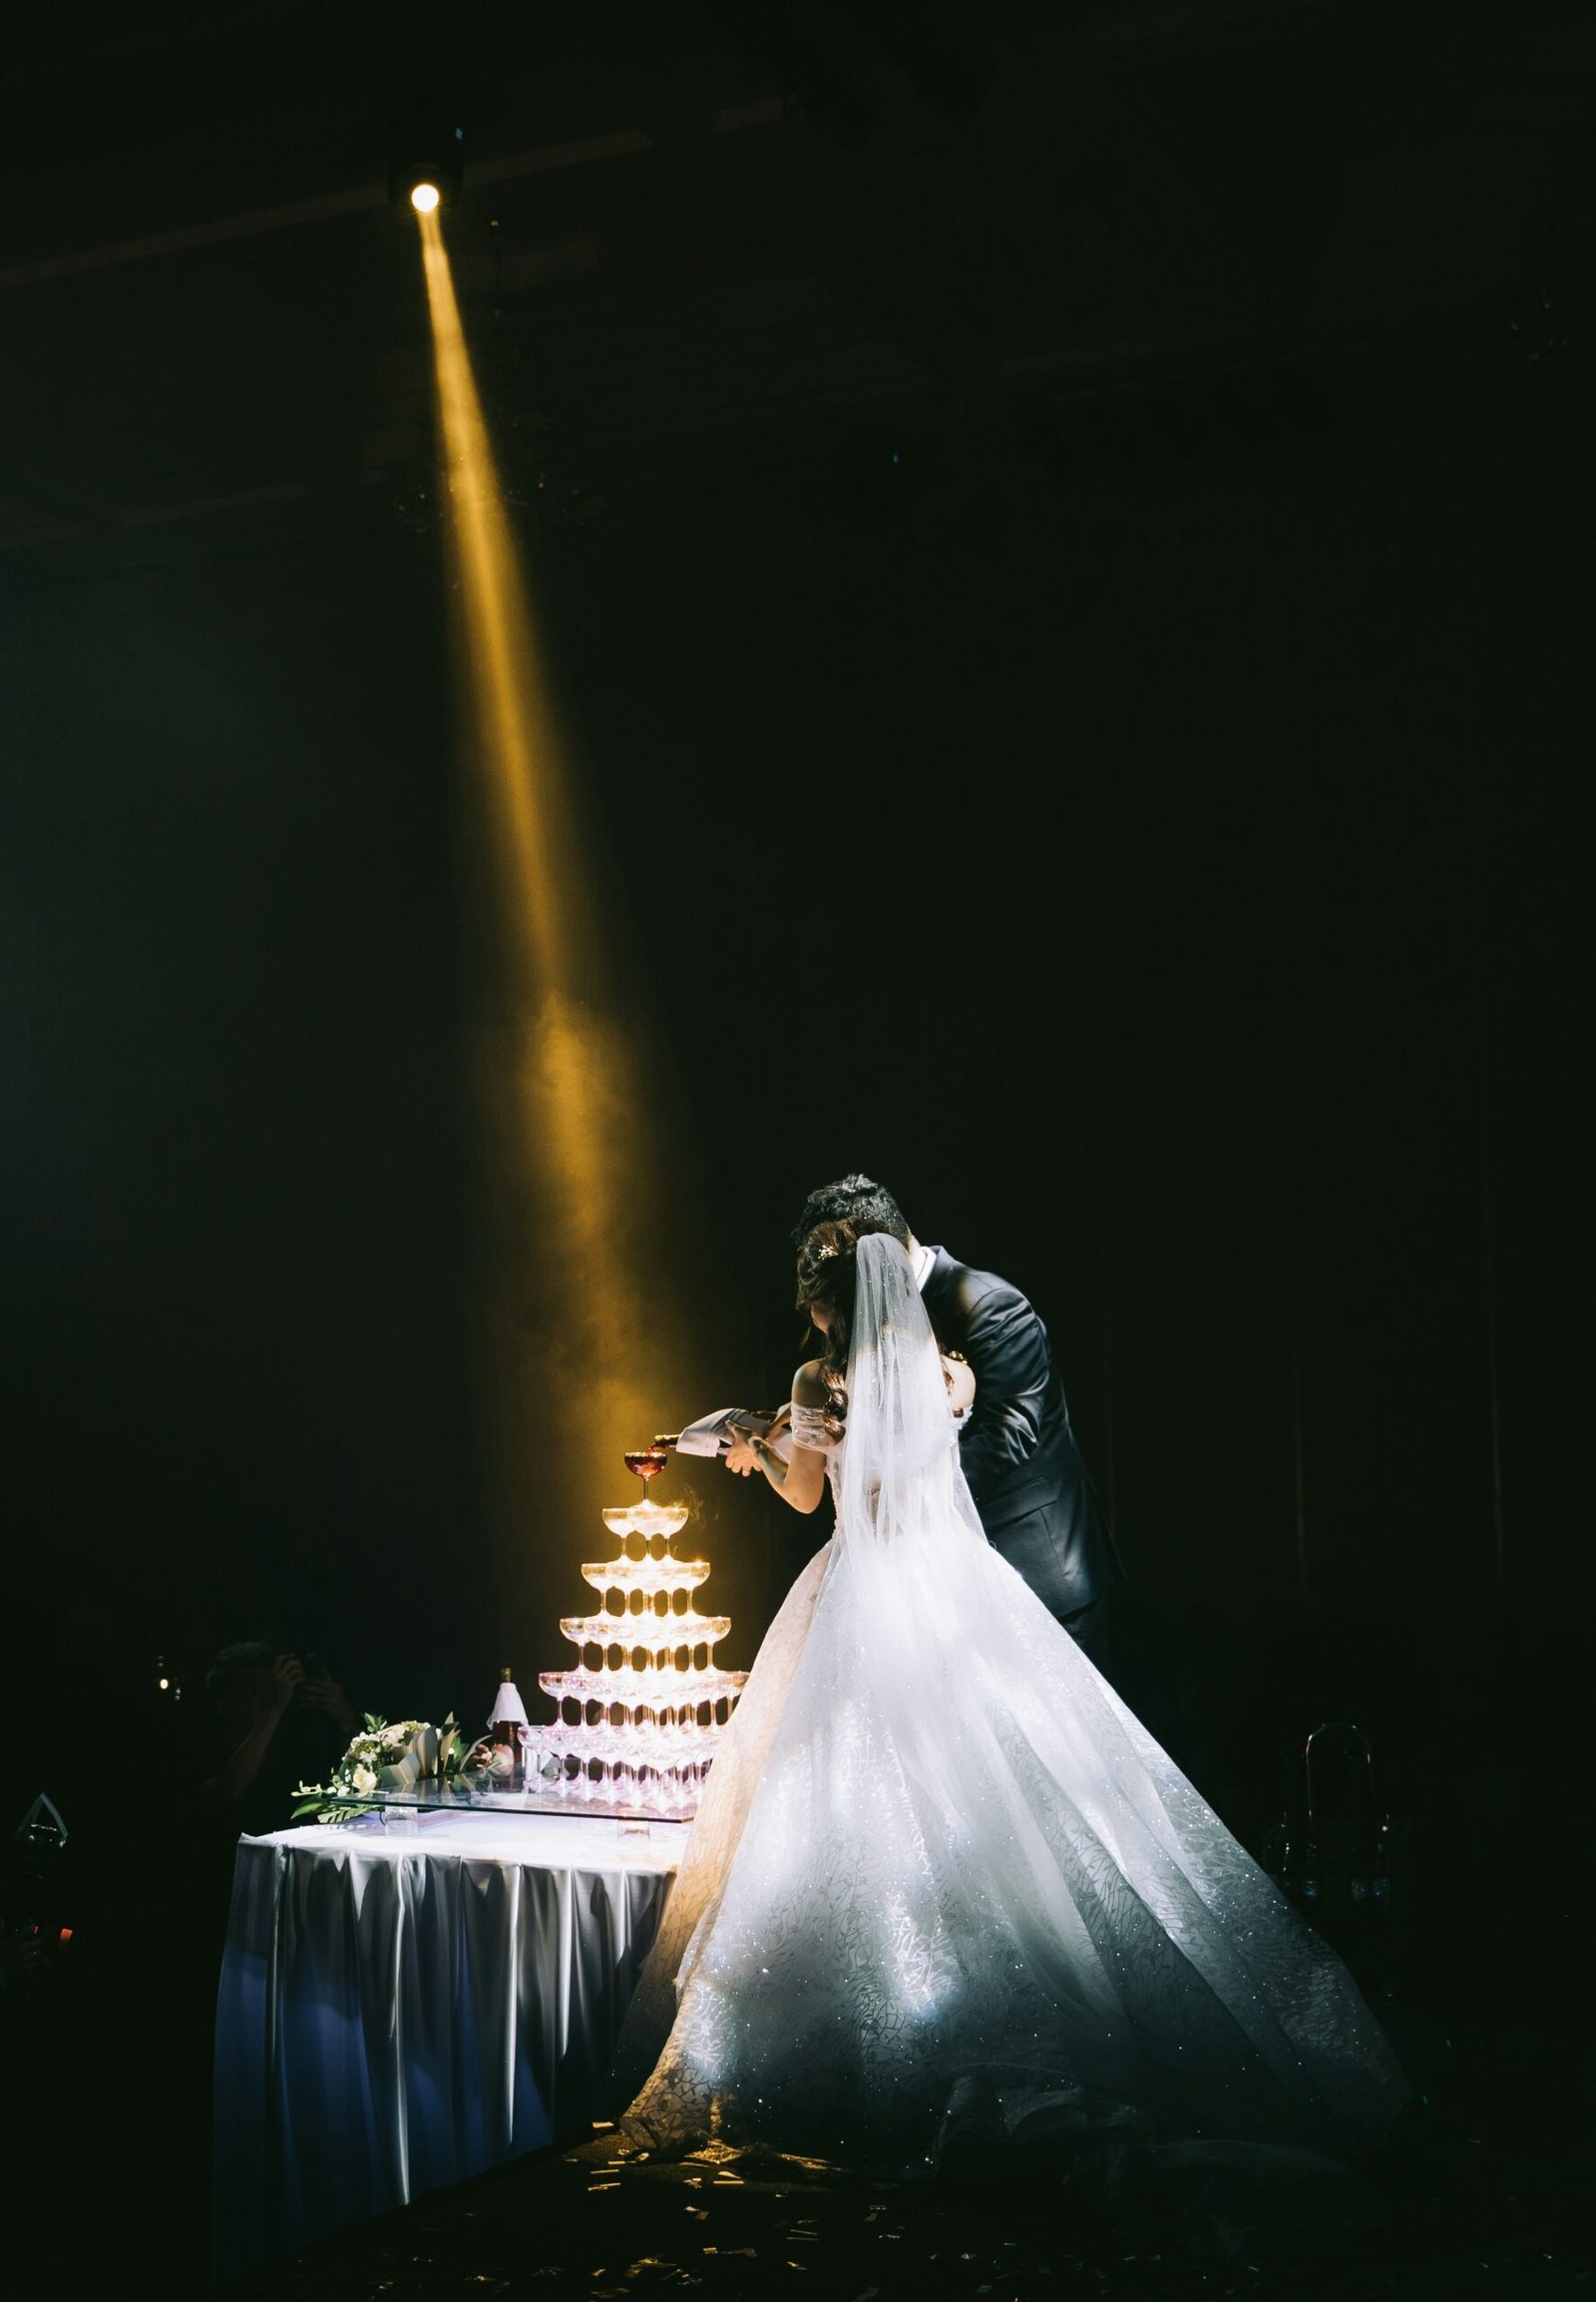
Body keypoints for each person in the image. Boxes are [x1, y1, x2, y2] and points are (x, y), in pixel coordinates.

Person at [613, 1225, 1406, 2174]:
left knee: (841, 1796)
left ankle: (860, 2028)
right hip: (947, 1581)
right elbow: (947, 1474)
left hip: (858, 1585)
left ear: (825, 1307)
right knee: (986, 1788)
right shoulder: (944, 1370)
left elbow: (800, 1497)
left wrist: (760, 1446)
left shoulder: (815, 1387)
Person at [727, 1174, 1123, 1668]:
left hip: (1027, 1575)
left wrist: (890, 1494)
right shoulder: (902, 1350)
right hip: (927, 1589)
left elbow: (1009, 1436)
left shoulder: (986, 1303)